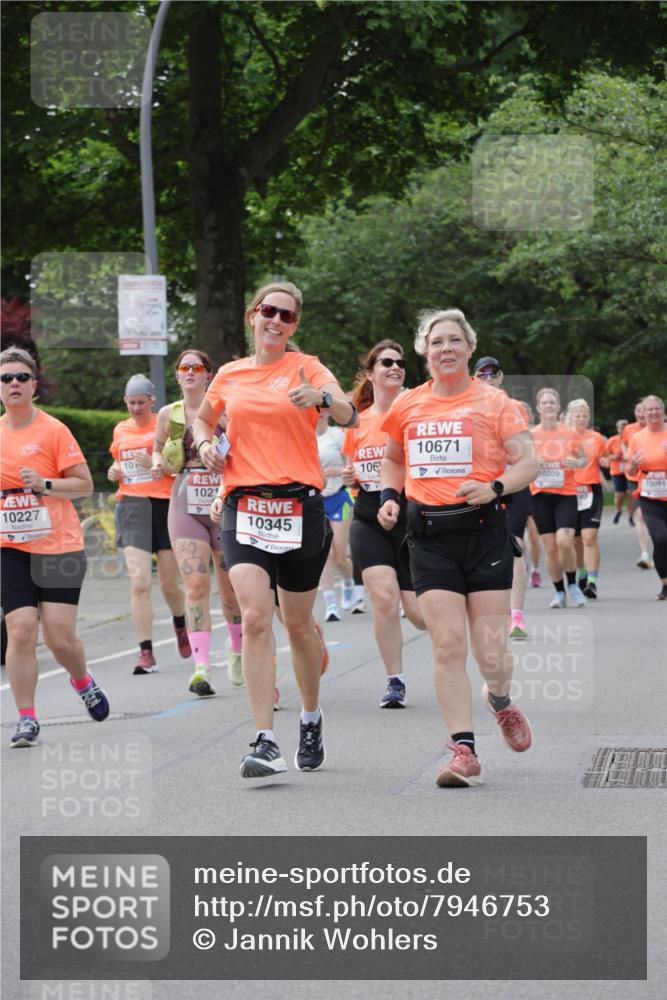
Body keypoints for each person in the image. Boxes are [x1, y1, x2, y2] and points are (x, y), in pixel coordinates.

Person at [194, 281, 356, 778]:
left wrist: (322, 395)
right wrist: (203, 445)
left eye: (286, 316)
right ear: (252, 316)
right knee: (257, 616)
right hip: (243, 505)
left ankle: (310, 717)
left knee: (301, 626)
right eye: (268, 312)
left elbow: (348, 412)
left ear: (294, 325)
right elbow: (204, 420)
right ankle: (265, 738)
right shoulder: (230, 374)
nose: (276, 321)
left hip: (300, 507)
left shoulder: (306, 366)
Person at [379, 309, 538, 787]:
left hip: (484, 532)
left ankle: (500, 700)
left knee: (491, 653)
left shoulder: (496, 402)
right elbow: (392, 459)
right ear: (426, 353)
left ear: (469, 348)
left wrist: (494, 485)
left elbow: (528, 463)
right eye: (436, 342)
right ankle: (463, 750)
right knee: (447, 644)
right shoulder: (407, 405)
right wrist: (389, 497)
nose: (445, 348)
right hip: (428, 538)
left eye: (454, 340)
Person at [0, 347, 110, 747]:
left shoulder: (53, 430)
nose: (13, 383)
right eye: (6, 378)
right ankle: (26, 718)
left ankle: (83, 681)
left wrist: (43, 485)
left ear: (33, 385)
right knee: (21, 629)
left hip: (59, 545)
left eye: (21, 378)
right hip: (11, 547)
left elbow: (84, 484)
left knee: (60, 638)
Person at [152, 350, 244, 696]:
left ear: (209, 375)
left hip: (222, 503)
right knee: (195, 585)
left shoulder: (222, 412)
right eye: (184, 368)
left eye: (198, 367)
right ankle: (201, 667)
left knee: (231, 590)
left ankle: (237, 649)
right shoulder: (168, 414)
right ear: (177, 376)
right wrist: (157, 462)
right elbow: (158, 449)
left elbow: (239, 451)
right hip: (184, 501)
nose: (190, 372)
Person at [342, 340, 426, 708]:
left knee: (420, 615)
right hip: (368, 515)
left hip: (410, 515)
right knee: (384, 598)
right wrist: (351, 477)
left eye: (400, 363)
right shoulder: (356, 421)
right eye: (387, 362)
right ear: (371, 372)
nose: (395, 367)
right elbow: (353, 472)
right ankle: (395, 680)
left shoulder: (416, 413)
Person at [108, 374, 190, 674]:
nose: (135, 408)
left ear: (152, 401)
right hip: (131, 506)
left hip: (164, 505)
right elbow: (117, 462)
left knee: (169, 585)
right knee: (140, 583)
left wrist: (156, 466)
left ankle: (180, 622)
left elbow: (177, 466)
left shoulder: (165, 424)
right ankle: (145, 652)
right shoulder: (120, 429)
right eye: (131, 402)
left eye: (141, 402)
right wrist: (114, 471)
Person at [474, 357, 530, 639]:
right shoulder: (467, 408)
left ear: (500, 376)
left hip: (513, 483)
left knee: (515, 546)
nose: (487, 377)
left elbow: (524, 450)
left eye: (492, 373)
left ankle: (516, 616)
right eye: (481, 373)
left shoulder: (515, 408)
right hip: (482, 487)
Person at [529, 388, 587, 608]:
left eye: (552, 402)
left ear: (558, 407)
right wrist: (536, 462)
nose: (549, 406)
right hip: (540, 495)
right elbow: (522, 464)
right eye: (545, 403)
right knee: (550, 547)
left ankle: (572, 584)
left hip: (566, 494)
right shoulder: (531, 435)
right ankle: (559, 592)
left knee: (565, 542)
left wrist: (578, 463)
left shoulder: (570, 432)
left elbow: (582, 459)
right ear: (538, 408)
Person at [567, 399, 609, 599]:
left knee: (589, 537)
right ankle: (581, 575)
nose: (581, 419)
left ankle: (591, 582)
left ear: (589, 417)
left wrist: (605, 461)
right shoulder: (563, 437)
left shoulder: (597, 438)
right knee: (575, 540)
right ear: (571, 417)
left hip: (591, 489)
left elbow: (606, 459)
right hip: (569, 491)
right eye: (578, 415)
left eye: (584, 415)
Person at [316, 410, 355, 621]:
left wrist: (337, 472)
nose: (318, 414)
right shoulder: (303, 436)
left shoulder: (337, 435)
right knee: (325, 554)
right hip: (317, 501)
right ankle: (331, 603)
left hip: (339, 498)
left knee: (340, 554)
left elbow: (352, 467)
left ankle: (348, 582)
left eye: (321, 411)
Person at [627, 395, 667, 600]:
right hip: (649, 495)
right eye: (649, 409)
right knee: (660, 539)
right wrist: (633, 464)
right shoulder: (638, 438)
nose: (653, 413)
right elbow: (630, 472)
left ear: (663, 410)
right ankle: (665, 584)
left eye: (656, 409)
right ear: (643, 413)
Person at [623, 399, 653, 568]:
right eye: (637, 411)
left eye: (643, 410)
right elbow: (625, 446)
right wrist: (628, 458)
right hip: (635, 478)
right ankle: (644, 553)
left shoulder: (659, 428)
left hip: (655, 478)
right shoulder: (629, 429)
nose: (640, 414)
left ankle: (658, 549)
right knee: (641, 514)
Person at [607, 419, 629, 524]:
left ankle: (631, 517)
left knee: (630, 494)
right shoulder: (612, 440)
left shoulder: (632, 439)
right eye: (621, 428)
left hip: (630, 471)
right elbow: (604, 454)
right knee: (619, 494)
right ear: (617, 429)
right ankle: (618, 510)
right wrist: (613, 456)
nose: (623, 430)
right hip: (617, 471)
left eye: (625, 428)